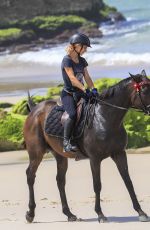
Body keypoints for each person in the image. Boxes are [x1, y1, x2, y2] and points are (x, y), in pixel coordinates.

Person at [61, 33, 98, 153]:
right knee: (72, 114)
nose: (86, 50)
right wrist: (84, 89)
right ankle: (66, 142)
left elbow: (87, 76)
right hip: (69, 94)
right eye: (85, 48)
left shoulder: (82, 61)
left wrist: (93, 88)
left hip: (81, 92)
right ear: (77, 46)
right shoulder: (66, 60)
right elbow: (72, 78)